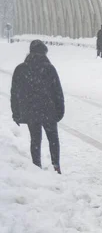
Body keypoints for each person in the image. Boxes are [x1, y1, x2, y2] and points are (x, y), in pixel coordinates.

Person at [10, 40, 64, 174]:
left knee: (35, 139)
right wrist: (59, 111)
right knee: (53, 139)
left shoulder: (21, 69)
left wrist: (16, 113)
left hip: (30, 111)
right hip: (49, 111)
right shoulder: (49, 68)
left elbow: (14, 93)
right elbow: (58, 92)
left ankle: (36, 166)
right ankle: (56, 166)